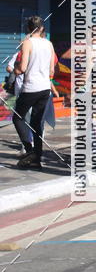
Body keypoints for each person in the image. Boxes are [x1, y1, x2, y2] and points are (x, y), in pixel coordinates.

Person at [12, 16, 56, 169]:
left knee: (17, 118)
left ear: (29, 28)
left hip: (31, 87)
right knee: (37, 124)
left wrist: (16, 68)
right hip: (45, 88)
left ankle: (30, 150)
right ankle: (37, 158)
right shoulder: (49, 44)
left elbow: (22, 68)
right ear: (42, 28)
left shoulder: (27, 43)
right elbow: (52, 70)